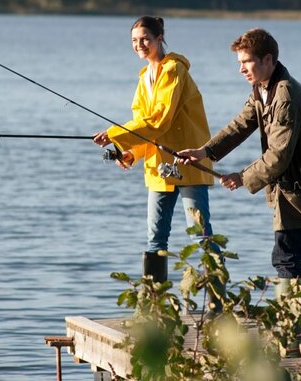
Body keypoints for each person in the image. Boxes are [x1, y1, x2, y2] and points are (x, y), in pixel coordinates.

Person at [178, 27, 301, 349]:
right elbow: (242, 124)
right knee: (297, 252)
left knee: (285, 257)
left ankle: (287, 336)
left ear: (269, 60)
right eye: (240, 62)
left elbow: (278, 155)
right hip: (295, 188)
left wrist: (242, 177)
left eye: (247, 61)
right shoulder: (263, 88)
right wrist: (206, 152)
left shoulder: (285, 95)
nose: (241, 68)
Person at [93, 16, 217, 287]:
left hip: (187, 162)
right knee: (155, 239)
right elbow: (143, 125)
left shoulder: (174, 70)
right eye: (135, 41)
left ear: (160, 38)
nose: (140, 45)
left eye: (145, 39)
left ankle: (219, 305)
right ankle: (154, 306)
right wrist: (132, 153)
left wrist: (114, 134)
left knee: (200, 236)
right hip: (158, 167)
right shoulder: (143, 78)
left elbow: (161, 119)